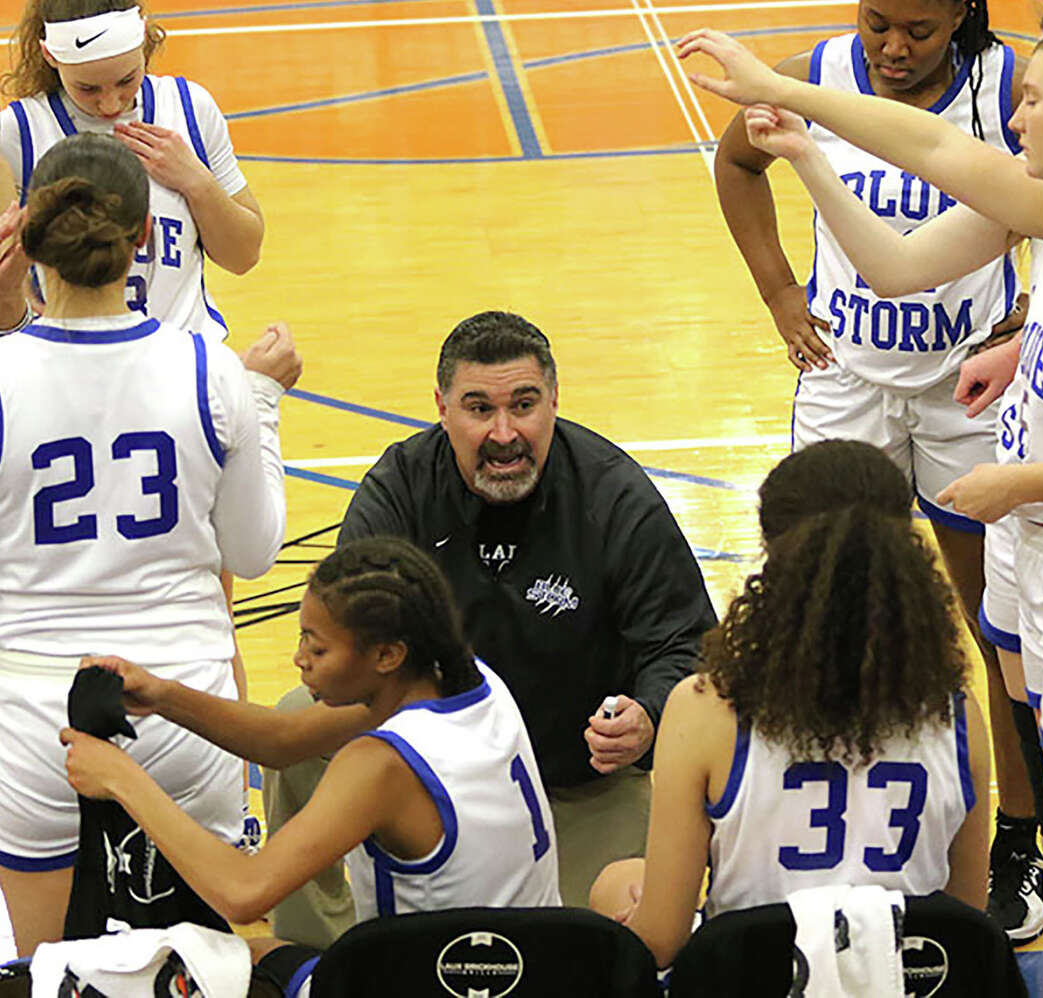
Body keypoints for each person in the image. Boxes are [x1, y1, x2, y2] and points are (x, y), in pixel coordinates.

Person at [677, 9, 1043, 918]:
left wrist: (1014, 482)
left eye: (1030, 99)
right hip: (1041, 565)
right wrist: (798, 134)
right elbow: (897, 248)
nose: (1015, 113)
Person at [713, 0, 1041, 939]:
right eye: (878, 21)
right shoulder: (813, 71)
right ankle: (795, 819)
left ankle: (1013, 831)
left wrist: (1035, 317)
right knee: (810, 606)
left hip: (964, 384)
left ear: (963, 22)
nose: (894, 46)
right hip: (847, 378)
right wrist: (781, 288)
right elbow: (736, 162)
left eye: (920, 30)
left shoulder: (1010, 85)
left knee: (994, 631)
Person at [263, 311, 716, 939]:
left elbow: (685, 643)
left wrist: (648, 715)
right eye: (479, 409)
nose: (505, 433)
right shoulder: (401, 489)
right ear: (442, 409)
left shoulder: (614, 497)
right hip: (426, 773)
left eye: (524, 405)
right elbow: (346, 636)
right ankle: (314, 953)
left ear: (554, 401)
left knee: (614, 948)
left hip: (579, 787)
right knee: (296, 721)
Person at [0, 132, 297, 955]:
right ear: (144, 236)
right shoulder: (210, 368)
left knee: (44, 967)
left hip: (33, 715)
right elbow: (252, 552)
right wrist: (264, 398)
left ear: (30, 233)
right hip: (182, 707)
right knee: (195, 964)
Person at [590, 441, 989, 968]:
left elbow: (661, 942)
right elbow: (963, 924)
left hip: (752, 980)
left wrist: (635, 910)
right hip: (900, 982)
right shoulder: (956, 712)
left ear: (772, 556)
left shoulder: (705, 708)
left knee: (614, 884)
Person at [59, 539, 561, 945]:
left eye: (315, 646)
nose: (299, 658)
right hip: (533, 969)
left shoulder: (380, 765)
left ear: (386, 655)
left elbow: (243, 892)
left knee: (228, 952)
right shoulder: (471, 681)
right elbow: (283, 739)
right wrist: (164, 695)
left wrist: (121, 779)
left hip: (429, 979)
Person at [0, 0, 264, 340]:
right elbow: (7, 291)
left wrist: (197, 182)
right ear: (50, 55)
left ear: (142, 38)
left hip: (183, 365)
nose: (110, 103)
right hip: (73, 371)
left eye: (126, 80)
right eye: (88, 88)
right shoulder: (16, 133)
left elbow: (243, 257)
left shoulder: (189, 107)